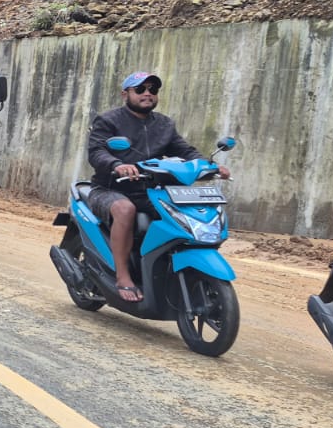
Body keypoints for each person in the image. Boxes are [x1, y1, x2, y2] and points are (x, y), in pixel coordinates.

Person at [86, 70, 229, 303]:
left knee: (183, 214)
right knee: (125, 210)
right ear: (125, 94)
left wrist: (210, 165)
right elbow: (97, 152)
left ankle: (171, 268)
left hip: (151, 191)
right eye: (140, 89)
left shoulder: (164, 124)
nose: (147, 94)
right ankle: (123, 276)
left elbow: (185, 151)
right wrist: (117, 164)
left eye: (153, 89)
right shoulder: (109, 120)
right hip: (111, 189)